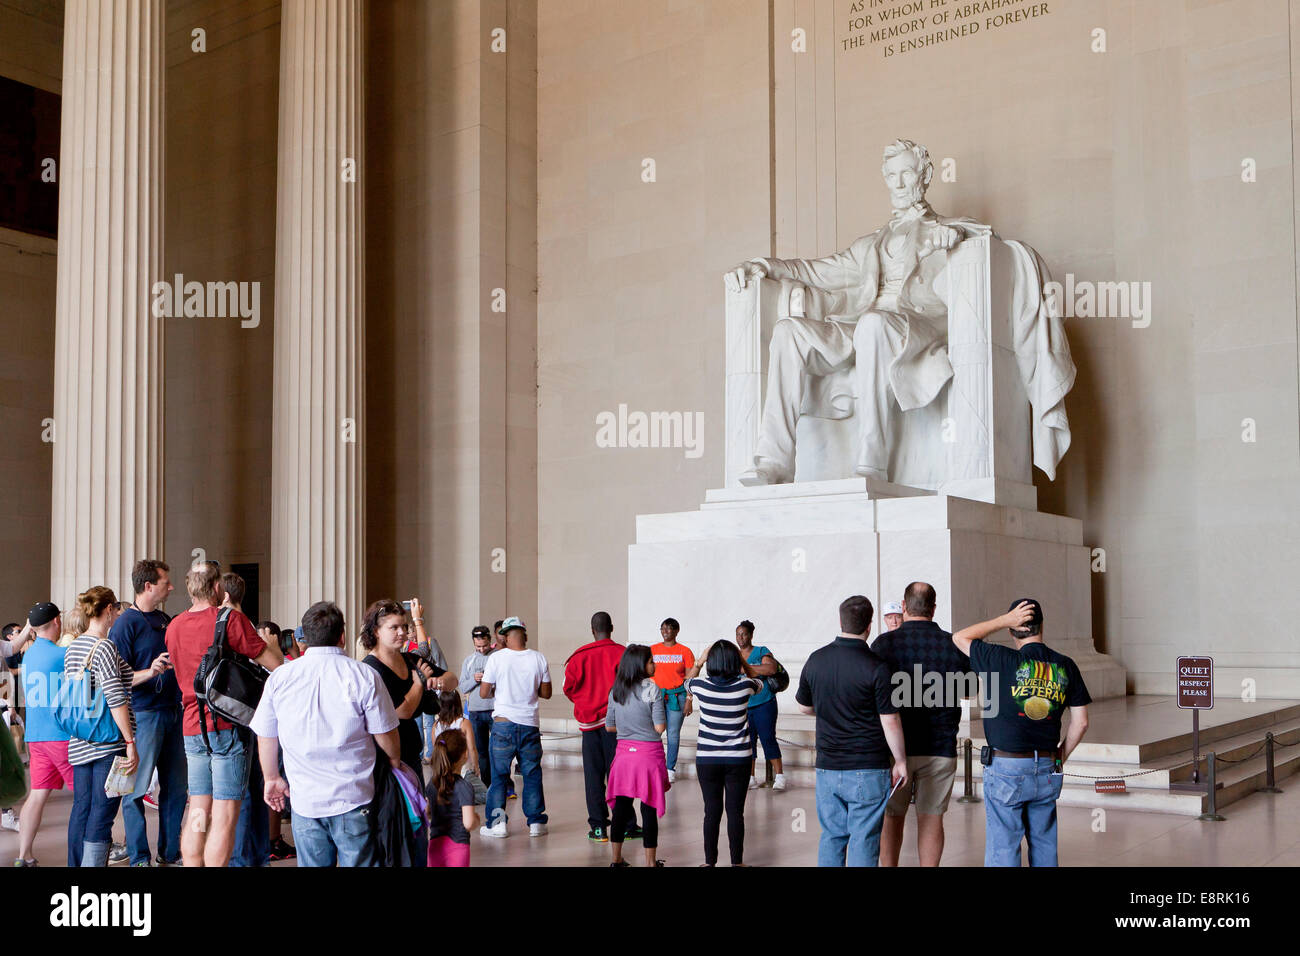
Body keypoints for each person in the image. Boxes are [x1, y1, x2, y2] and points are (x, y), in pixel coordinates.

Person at [252, 601, 402, 867]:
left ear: (304, 639)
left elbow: (266, 733)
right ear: (342, 636)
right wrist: (394, 760)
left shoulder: (280, 677)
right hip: (354, 795)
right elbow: (385, 733)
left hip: (305, 799)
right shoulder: (363, 675)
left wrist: (272, 777)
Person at [954, 599, 1091, 867]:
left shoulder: (998, 659)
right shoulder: (1066, 665)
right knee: (1044, 845)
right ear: (1042, 626)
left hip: (1007, 766)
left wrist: (1003, 619)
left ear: (1012, 629)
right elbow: (1081, 722)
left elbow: (960, 637)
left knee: (1004, 847)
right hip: (1047, 765)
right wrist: (1060, 755)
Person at [165, 562, 282, 867]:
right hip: (226, 725)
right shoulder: (228, 619)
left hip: (192, 726)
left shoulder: (174, 625)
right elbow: (275, 664)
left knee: (199, 809)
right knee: (226, 814)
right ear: (218, 588)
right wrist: (271, 645)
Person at [796, 594, 908, 867]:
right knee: (864, 838)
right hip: (867, 767)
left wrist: (828, 708)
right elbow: (889, 720)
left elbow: (804, 707)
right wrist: (901, 762)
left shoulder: (816, 659)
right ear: (869, 625)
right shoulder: (877, 667)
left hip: (827, 766)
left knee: (832, 836)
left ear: (840, 621)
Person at [872, 582, 969, 867]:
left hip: (895, 747)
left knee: (892, 817)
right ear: (934, 609)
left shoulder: (883, 645)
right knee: (931, 818)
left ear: (904, 607)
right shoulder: (953, 644)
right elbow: (969, 691)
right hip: (940, 745)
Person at [108, 559, 183, 868]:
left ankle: (170, 853)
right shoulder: (127, 623)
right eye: (166, 581)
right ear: (148, 585)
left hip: (172, 711)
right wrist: (150, 672)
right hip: (144, 714)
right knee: (136, 790)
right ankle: (139, 857)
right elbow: (114, 677)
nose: (172, 586)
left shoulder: (165, 619)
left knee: (176, 788)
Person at [63, 588, 139, 867]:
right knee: (104, 811)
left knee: (82, 808)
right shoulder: (105, 647)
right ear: (108, 610)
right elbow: (115, 695)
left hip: (81, 738)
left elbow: (125, 677)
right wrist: (130, 742)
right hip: (108, 741)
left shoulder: (75, 646)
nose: (118, 614)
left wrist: (152, 670)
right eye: (117, 609)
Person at [685, 640, 762, 866]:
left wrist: (700, 660)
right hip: (739, 758)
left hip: (707, 759)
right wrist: (742, 662)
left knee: (711, 812)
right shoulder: (745, 686)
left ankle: (710, 862)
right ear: (734, 662)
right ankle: (737, 863)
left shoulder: (700, 687)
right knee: (735, 813)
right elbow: (759, 682)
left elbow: (686, 681)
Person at [360, 599, 453, 774]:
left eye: (403, 626)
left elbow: (452, 678)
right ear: (376, 631)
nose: (402, 632)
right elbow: (403, 712)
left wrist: (437, 682)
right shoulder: (370, 669)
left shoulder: (409, 658)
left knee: (418, 800)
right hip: (386, 758)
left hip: (411, 752)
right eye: (394, 628)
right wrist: (419, 683)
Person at [478, 616, 551, 838]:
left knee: (499, 776)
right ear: (524, 635)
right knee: (531, 774)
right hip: (529, 725)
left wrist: (495, 688)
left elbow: (483, 693)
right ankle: (536, 823)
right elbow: (546, 693)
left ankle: (498, 824)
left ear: (506, 636)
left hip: (503, 725)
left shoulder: (497, 659)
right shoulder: (538, 658)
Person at [12, 605, 69, 865]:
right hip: (61, 735)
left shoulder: (29, 656)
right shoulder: (62, 655)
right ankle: (96, 849)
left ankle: (24, 855)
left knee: (37, 795)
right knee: (87, 795)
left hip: (35, 736)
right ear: (57, 621)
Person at [563, 610, 625, 842]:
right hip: (616, 724)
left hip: (589, 724)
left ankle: (598, 828)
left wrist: (585, 701)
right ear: (612, 627)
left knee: (593, 776)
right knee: (618, 774)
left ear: (592, 630)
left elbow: (568, 687)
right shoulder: (623, 653)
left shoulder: (578, 656)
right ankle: (626, 824)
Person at [605, 645, 668, 867]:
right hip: (648, 756)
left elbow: (609, 727)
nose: (654, 665)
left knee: (621, 807)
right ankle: (650, 862)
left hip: (623, 756)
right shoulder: (652, 689)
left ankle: (616, 859)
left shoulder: (616, 690)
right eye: (651, 661)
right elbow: (660, 727)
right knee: (648, 807)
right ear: (640, 665)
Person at [258, 620, 296, 861]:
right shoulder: (277, 664)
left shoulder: (283, 664)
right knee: (272, 782)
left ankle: (271, 838)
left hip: (272, 732)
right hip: (269, 732)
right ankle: (272, 840)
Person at [735, 620, 785, 791]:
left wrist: (745, 668)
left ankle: (779, 777)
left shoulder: (761, 650)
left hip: (764, 703)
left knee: (768, 738)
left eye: (744, 634)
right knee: (748, 742)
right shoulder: (734, 654)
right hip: (743, 705)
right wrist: (756, 669)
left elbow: (770, 669)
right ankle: (750, 777)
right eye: (738, 634)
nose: (740, 637)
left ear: (751, 635)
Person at [425, 728, 478, 867]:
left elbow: (428, 813)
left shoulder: (432, 784)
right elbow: (468, 823)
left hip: (435, 845)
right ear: (465, 755)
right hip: (458, 847)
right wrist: (476, 819)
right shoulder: (465, 787)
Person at [650, 618, 694, 783]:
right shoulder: (652, 650)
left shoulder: (685, 651)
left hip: (678, 695)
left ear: (677, 631)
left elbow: (690, 677)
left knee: (673, 734)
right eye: (662, 628)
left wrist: (689, 699)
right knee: (655, 732)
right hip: (656, 696)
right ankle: (655, 764)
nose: (665, 632)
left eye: (668, 629)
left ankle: (670, 769)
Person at [432, 690, 485, 803]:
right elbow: (471, 748)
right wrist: (476, 767)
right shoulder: (464, 723)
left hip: (443, 772)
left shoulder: (435, 726)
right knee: (487, 795)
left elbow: (435, 749)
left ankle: (451, 795)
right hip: (464, 771)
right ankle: (458, 798)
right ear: (457, 703)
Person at [459, 625, 495, 789]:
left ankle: (501, 784)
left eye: (485, 646)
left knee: (497, 751)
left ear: (490, 640)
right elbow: (463, 687)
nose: (481, 649)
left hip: (495, 710)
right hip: (475, 711)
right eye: (478, 646)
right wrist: (474, 679)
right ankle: (487, 784)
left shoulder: (496, 657)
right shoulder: (469, 660)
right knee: (481, 752)